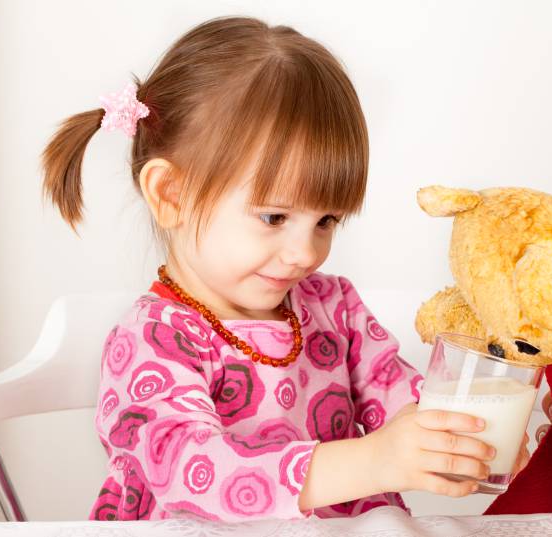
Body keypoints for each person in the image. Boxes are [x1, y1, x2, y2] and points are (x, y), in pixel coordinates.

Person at [41, 16, 513, 522]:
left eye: (326, 220)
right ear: (170, 195)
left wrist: (459, 436)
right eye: (275, 217)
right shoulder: (153, 341)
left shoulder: (334, 308)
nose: (305, 253)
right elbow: (197, 475)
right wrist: (376, 459)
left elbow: (398, 399)